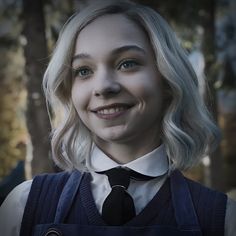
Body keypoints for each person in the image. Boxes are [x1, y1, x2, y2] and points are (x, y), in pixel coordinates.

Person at [0, 0, 236, 235]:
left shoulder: (222, 220)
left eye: (127, 63)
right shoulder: (23, 207)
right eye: (84, 70)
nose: (103, 87)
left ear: (167, 79)